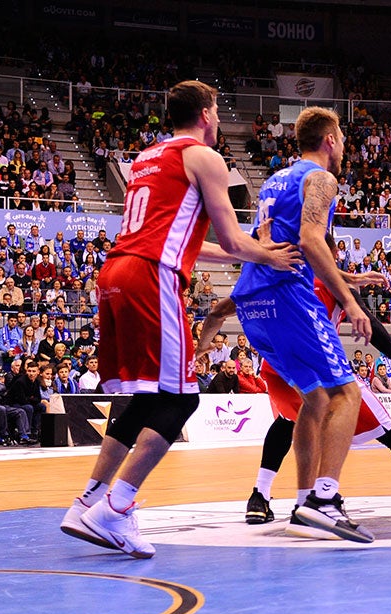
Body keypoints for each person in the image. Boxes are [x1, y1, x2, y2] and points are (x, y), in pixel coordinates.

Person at [59, 80, 302, 559]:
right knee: (182, 399)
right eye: (216, 110)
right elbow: (233, 242)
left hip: (117, 272)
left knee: (147, 397)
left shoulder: (148, 157)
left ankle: (86, 501)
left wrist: (250, 254)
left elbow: (193, 241)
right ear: (208, 113)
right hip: (152, 276)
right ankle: (115, 507)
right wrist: (270, 258)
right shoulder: (205, 157)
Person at [197, 277, 391, 532]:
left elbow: (216, 312)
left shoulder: (263, 282)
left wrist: (201, 349)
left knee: (288, 423)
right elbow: (371, 325)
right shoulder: (329, 281)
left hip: (278, 372)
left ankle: (262, 498)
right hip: (322, 371)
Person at [230, 105, 376, 544]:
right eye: (343, 138)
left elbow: (285, 236)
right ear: (329, 139)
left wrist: (345, 276)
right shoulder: (323, 178)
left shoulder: (276, 180)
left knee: (312, 400)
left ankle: (303, 500)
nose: (345, 146)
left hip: (251, 300)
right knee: (346, 393)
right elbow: (311, 239)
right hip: (287, 295)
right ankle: (325, 501)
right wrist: (350, 302)